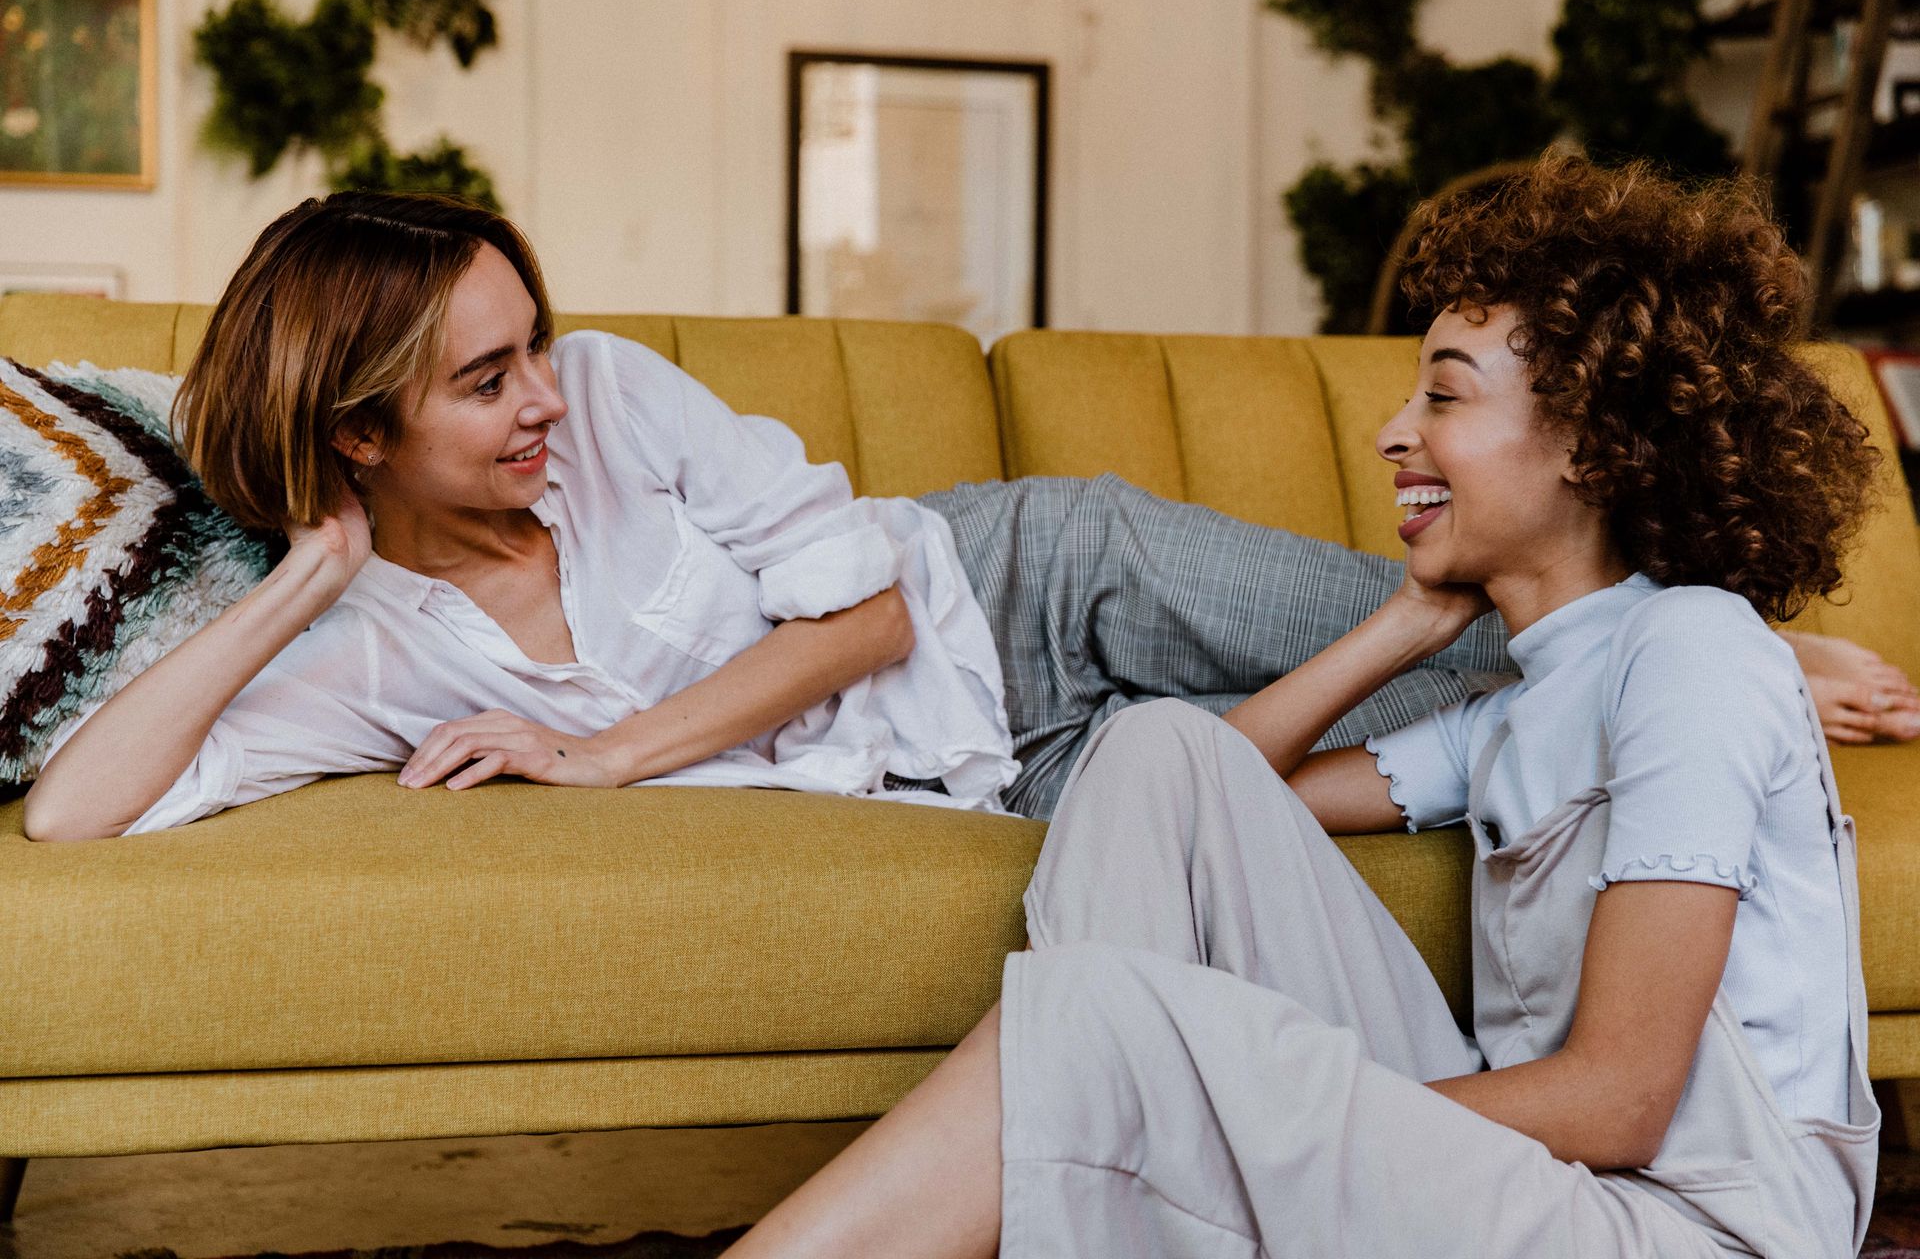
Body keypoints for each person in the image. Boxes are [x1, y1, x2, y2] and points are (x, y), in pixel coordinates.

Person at [719, 156, 1883, 1259]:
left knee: (1106, 1024)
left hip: (1685, 1227)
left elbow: (1622, 1098)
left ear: (1590, 442)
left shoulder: (1692, 651)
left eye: (1444, 395)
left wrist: (1258, 1122)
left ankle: (1129, 1151)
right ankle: (1124, 1175)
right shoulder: (1513, 709)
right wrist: (1404, 623)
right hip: (1540, 1185)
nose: (1393, 432)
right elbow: (1210, 784)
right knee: (1153, 745)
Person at [19, 184, 1915, 841]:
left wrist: (607, 759)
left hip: (1029, 583)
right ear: (357, 433)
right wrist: (302, 579)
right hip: (991, 773)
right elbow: (76, 813)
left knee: (1473, 630)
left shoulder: (611, 395)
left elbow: (865, 617)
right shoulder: (363, 643)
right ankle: (1714, 679)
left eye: (530, 347)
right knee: (1442, 739)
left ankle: (1729, 656)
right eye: (483, 381)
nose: (542, 399)